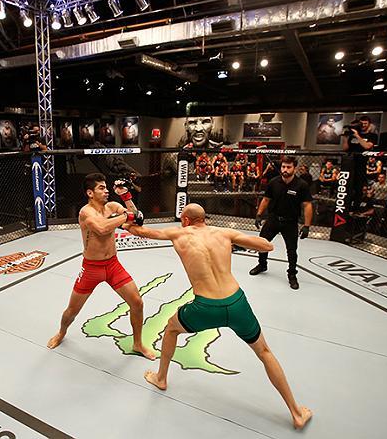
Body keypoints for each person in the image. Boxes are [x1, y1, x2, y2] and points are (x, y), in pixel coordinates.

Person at [124, 203, 312, 430]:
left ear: (185, 220)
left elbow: (140, 231)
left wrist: (128, 222)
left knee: (171, 329)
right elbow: (267, 246)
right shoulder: (224, 233)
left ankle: (161, 378)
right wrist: (236, 241)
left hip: (205, 307)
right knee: (264, 352)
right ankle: (295, 411)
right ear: (204, 219)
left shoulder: (178, 233)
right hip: (236, 304)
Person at [47, 173, 155, 360]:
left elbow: (137, 218)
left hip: (113, 265)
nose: (106, 191)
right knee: (72, 311)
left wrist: (126, 197)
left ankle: (137, 344)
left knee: (137, 303)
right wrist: (126, 216)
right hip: (91, 269)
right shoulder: (85, 212)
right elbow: (103, 228)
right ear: (90, 193)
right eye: (101, 188)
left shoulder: (112, 206)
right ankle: (61, 332)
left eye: (107, 187)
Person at [249, 156, 313, 290]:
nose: (285, 169)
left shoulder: (301, 185)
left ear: (294, 168)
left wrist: (307, 226)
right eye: (283, 166)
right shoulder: (274, 182)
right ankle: (262, 264)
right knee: (262, 244)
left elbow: (307, 205)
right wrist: (259, 215)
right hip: (273, 219)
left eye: (288, 167)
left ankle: (292, 274)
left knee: (291, 250)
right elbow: (266, 199)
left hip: (290, 222)